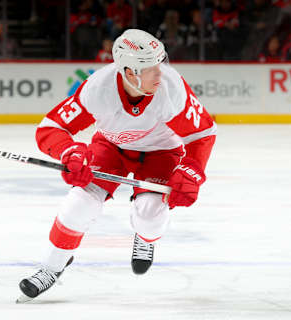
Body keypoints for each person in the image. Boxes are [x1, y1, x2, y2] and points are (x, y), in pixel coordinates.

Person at [17, 29, 217, 302]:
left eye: (160, 64)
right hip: (111, 147)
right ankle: (52, 266)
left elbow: (202, 134)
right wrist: (70, 152)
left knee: (150, 214)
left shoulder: (171, 87)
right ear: (129, 71)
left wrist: (192, 170)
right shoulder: (98, 88)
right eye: (150, 68)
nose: (160, 73)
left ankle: (145, 239)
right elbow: (51, 128)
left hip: (161, 152)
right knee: (80, 203)